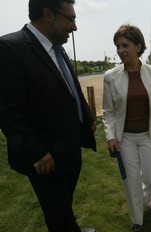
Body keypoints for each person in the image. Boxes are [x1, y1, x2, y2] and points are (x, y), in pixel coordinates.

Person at [0, 0, 97, 231]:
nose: (74, 27)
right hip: (46, 160)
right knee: (58, 215)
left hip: (69, 150)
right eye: (71, 19)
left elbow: (69, 84)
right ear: (48, 15)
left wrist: (87, 115)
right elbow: (8, 111)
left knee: (63, 206)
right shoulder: (10, 48)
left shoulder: (58, 47)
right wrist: (36, 152)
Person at [102, 24, 151, 231]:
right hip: (126, 138)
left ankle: (147, 198)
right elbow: (108, 111)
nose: (120, 50)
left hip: (150, 134)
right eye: (117, 46)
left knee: (150, 176)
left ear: (138, 46)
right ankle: (137, 220)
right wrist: (110, 136)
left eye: (125, 45)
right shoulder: (110, 77)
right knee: (131, 180)